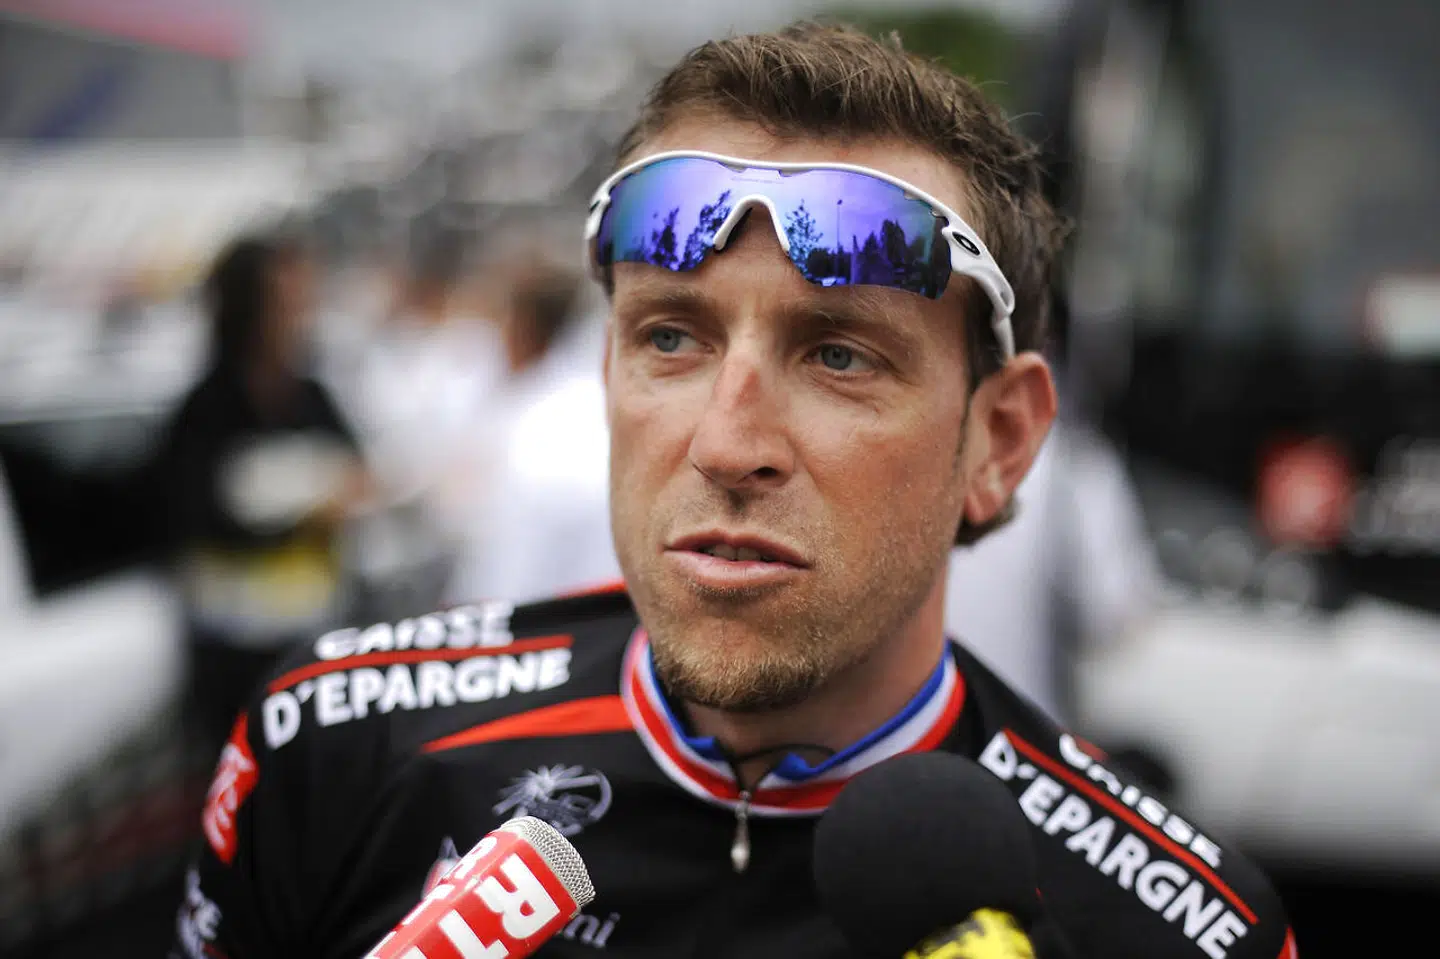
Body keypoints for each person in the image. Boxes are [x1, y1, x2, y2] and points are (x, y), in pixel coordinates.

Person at [171, 24, 1296, 959]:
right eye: (670, 335)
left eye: (841, 354)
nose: (726, 441)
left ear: (998, 441)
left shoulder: (1179, 929)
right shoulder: (330, 747)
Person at [156, 230, 370, 763]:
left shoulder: (313, 397)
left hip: (314, 648)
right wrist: (298, 501)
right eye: (284, 300)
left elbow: (358, 477)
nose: (299, 313)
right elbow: (192, 516)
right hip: (233, 659)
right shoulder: (203, 412)